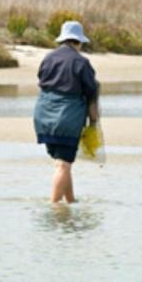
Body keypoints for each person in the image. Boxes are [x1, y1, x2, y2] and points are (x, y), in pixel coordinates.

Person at [33, 21, 100, 203]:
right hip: (67, 118)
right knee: (63, 164)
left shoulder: (47, 58)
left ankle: (70, 201)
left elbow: (42, 81)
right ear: (78, 41)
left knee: (61, 163)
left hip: (43, 115)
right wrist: (94, 124)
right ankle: (54, 206)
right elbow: (92, 94)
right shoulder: (81, 62)